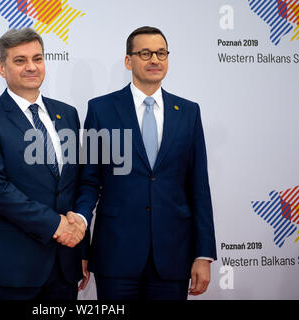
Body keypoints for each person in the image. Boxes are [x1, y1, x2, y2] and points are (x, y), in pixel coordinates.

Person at [73, 26, 217, 300]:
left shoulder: (188, 112)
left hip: (173, 255)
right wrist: (81, 249)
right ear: (129, 61)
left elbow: (198, 187)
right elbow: (89, 181)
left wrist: (203, 253)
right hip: (115, 254)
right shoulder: (101, 109)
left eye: (161, 53)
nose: (155, 60)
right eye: (145, 53)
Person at [0, 28, 89, 300]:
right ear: (1, 67)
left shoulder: (67, 114)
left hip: (64, 266)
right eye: (20, 60)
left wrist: (80, 238)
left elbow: (78, 181)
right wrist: (56, 225)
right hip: (11, 268)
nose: (32, 67)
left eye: (38, 58)